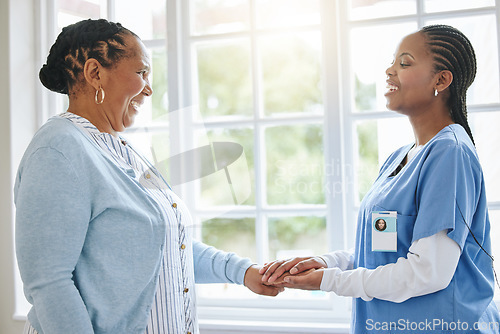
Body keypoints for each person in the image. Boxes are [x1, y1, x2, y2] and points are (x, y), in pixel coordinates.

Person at [15, 19, 281, 334]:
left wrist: (244, 271)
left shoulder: (121, 150)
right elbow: (48, 282)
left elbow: (165, 248)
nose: (149, 88)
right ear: (95, 73)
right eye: (141, 73)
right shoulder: (57, 150)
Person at [260, 25, 500, 333]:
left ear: (441, 80)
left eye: (405, 62)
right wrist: (327, 263)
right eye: (393, 61)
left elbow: (427, 272)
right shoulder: (400, 157)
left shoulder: (449, 153)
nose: (390, 70)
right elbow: (383, 251)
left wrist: (328, 281)